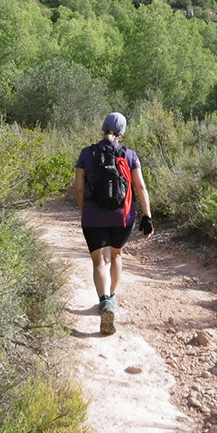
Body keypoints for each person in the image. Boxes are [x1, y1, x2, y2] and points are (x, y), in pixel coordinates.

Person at [74, 112, 153, 335]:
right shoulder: (130, 155)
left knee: (99, 260)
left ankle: (103, 301)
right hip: (123, 217)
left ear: (103, 127)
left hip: (93, 216)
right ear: (123, 132)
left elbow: (79, 188)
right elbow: (140, 187)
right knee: (116, 254)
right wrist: (147, 215)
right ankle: (111, 299)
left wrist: (85, 212)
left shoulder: (86, 154)